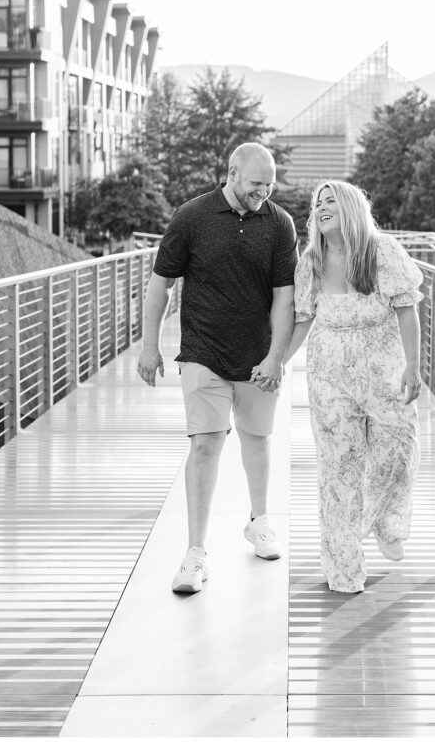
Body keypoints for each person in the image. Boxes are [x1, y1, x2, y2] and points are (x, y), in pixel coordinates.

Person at [137, 142, 297, 593]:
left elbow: (285, 296)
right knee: (205, 444)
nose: (263, 193)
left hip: (258, 356)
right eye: (255, 184)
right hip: (202, 351)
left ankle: (259, 521)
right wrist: (150, 347)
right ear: (231, 173)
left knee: (257, 440)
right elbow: (160, 287)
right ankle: (195, 553)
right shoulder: (191, 217)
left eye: (268, 185)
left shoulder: (280, 224)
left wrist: (275, 358)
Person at [281, 180, 423, 593]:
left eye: (330, 201)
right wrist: (278, 365)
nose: (321, 208)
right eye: (317, 204)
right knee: (338, 470)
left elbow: (406, 310)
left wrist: (413, 368)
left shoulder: (382, 251)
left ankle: (384, 519)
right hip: (330, 374)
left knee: (398, 449)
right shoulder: (311, 260)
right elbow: (303, 318)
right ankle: (343, 569)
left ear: (350, 208)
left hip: (384, 369)